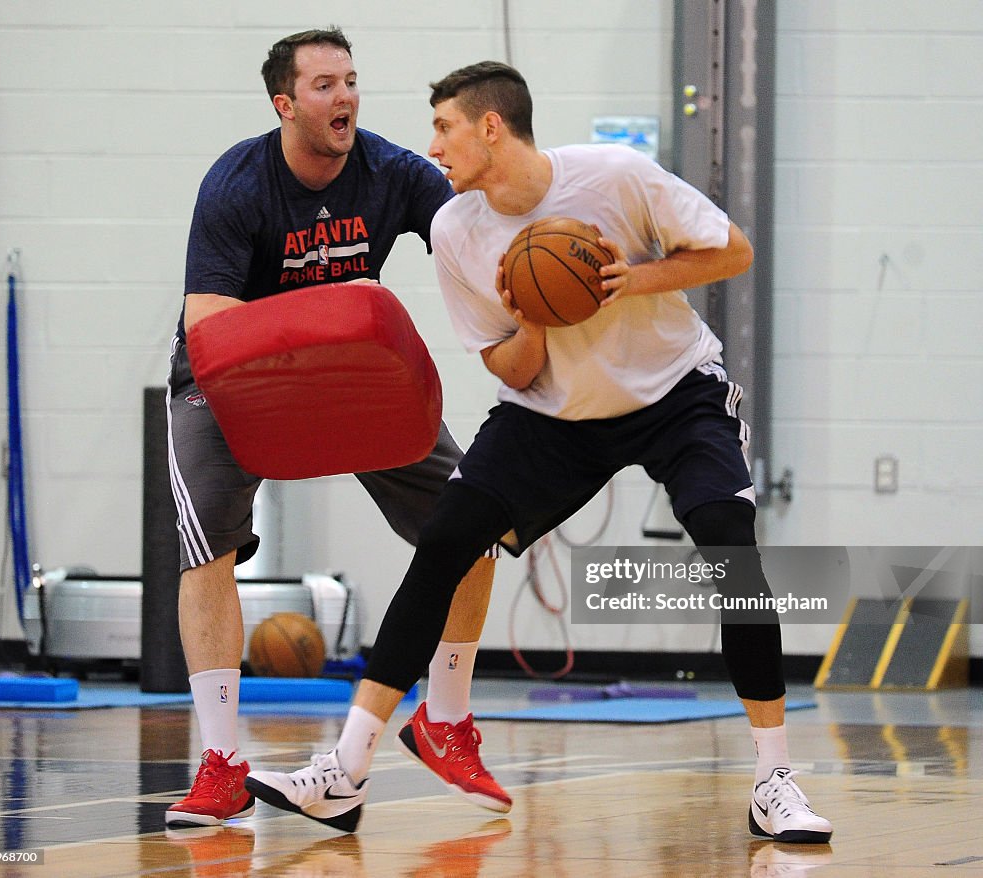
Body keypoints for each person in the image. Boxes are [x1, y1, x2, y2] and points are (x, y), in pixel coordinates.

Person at [244, 60, 834, 846]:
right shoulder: (456, 229)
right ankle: (344, 774)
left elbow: (733, 251)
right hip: (554, 412)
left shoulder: (615, 176)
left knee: (732, 550)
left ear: (492, 126)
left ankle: (774, 781)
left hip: (675, 392)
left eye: (446, 127)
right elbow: (507, 367)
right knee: (444, 543)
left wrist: (633, 278)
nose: (435, 147)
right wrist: (536, 317)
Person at [164, 32, 511, 828]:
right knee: (206, 546)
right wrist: (328, 319)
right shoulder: (237, 183)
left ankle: (446, 721)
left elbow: (474, 237)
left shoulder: (392, 172)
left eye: (351, 81)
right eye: (324, 85)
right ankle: (221, 764)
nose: (345, 97)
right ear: (284, 104)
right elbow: (210, 325)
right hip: (229, 374)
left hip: (346, 372)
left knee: (478, 522)